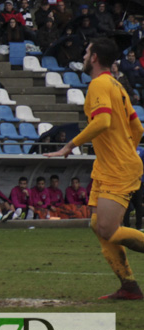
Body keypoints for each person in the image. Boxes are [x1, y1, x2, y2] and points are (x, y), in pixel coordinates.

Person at [45, 38, 144, 300]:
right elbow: (138, 129)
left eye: (87, 51)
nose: (84, 54)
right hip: (111, 164)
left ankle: (129, 286)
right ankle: (129, 286)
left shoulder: (99, 83)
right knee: (98, 223)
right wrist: (123, 150)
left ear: (95, 57)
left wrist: (69, 146)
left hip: (116, 167)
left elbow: (102, 120)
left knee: (109, 229)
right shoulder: (117, 85)